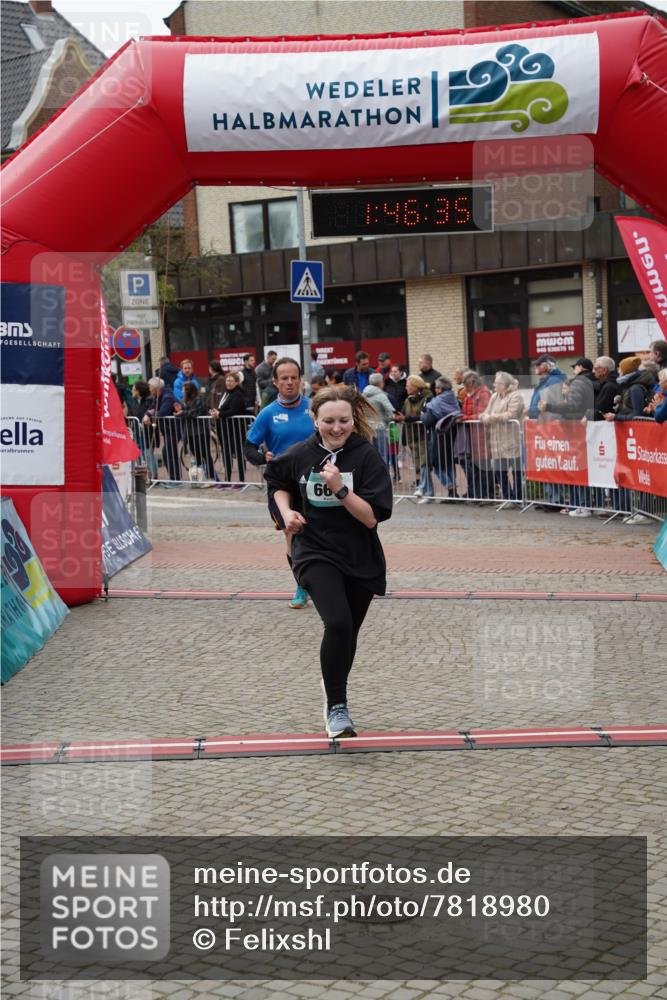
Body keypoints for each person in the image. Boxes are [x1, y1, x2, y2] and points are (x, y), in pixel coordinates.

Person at [264, 385, 393, 738]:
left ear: (354, 421)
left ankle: (332, 683)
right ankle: (337, 707)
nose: (337, 428)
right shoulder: (300, 454)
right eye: (329, 421)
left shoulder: (366, 457)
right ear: (314, 419)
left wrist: (340, 489)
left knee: (347, 632)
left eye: (344, 421)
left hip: (358, 554)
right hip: (314, 550)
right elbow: (277, 481)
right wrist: (287, 513)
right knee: (337, 623)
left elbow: (371, 518)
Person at [244, 357, 315, 609]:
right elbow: (249, 447)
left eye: (293, 377)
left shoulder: (314, 407)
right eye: (283, 378)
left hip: (314, 481)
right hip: (283, 483)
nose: (289, 382)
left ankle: (322, 580)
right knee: (291, 532)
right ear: (274, 382)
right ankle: (301, 585)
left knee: (318, 532)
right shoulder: (268, 414)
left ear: (300, 379)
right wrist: (263, 457)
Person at [526, 355, 567, 509]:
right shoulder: (546, 381)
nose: (536, 368)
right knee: (545, 463)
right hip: (543, 425)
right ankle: (551, 498)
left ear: (547, 366)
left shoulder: (554, 381)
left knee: (552, 463)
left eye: (538, 365)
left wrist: (534, 411)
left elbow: (549, 403)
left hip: (550, 426)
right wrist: (531, 410)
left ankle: (556, 499)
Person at [480, 372, 525, 504]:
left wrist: (492, 417)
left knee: (516, 472)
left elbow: (512, 414)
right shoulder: (494, 396)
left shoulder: (516, 395)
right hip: (496, 441)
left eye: (497, 383)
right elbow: (486, 412)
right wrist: (483, 417)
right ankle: (507, 498)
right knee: (499, 470)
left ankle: (517, 499)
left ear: (504, 385)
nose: (494, 385)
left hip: (512, 439)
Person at [420, 376, 466, 500]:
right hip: (452, 435)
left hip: (438, 437)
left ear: (440, 389)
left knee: (436, 465)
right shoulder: (454, 400)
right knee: (449, 463)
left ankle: (449, 485)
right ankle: (453, 493)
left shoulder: (436, 402)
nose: (435, 390)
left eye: (436, 388)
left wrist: (422, 415)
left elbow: (428, 420)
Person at [461, 371, 493, 500]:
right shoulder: (470, 395)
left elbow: (483, 414)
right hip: (473, 435)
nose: (465, 387)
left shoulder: (483, 393)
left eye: (466, 384)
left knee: (484, 468)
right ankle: (478, 494)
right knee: (476, 468)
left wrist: (466, 418)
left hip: (482, 435)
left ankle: (487, 495)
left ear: (472, 382)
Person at [211, 370, 247, 486]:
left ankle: (241, 480)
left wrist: (220, 414)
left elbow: (234, 410)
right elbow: (223, 407)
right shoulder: (226, 393)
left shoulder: (238, 394)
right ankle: (227, 479)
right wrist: (216, 411)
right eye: (227, 380)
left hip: (235, 429)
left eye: (231, 381)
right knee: (226, 453)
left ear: (237, 382)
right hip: (225, 429)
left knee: (239, 454)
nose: (228, 383)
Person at [400, 375, 433, 499]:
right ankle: (425, 490)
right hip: (411, 436)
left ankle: (425, 490)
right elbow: (403, 414)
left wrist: (407, 419)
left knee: (424, 462)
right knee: (418, 462)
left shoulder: (428, 398)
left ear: (415, 386)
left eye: (408, 385)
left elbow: (424, 416)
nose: (406, 387)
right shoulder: (408, 400)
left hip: (424, 434)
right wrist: (398, 418)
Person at [143, 377, 179, 487]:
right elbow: (151, 408)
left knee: (168, 453)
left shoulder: (167, 397)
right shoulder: (157, 397)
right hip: (167, 429)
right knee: (167, 453)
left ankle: (176, 480)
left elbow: (162, 412)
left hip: (174, 429)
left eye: (150, 387)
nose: (149, 389)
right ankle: (174, 479)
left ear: (156, 388)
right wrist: (147, 415)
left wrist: (151, 416)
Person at [175, 381, 209, 482]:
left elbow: (195, 413)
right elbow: (186, 413)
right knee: (196, 455)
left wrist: (183, 413)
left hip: (200, 431)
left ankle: (212, 476)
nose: (182, 391)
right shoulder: (184, 401)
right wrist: (179, 411)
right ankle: (200, 477)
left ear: (189, 391)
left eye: (184, 390)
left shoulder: (199, 399)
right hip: (190, 432)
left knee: (205, 455)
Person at [363, 372, 395, 462]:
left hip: (367, 428)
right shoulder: (381, 395)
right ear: (381, 383)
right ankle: (383, 474)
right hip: (380, 427)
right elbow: (391, 411)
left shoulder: (364, 394)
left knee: (371, 454)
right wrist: (389, 419)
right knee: (383, 454)